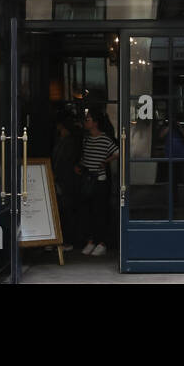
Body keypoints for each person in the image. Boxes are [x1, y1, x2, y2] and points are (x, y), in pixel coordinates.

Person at [74, 110, 118, 257]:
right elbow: (85, 157)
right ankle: (91, 240)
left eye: (88, 119)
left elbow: (118, 152)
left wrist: (106, 162)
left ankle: (102, 242)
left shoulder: (105, 139)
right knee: (88, 212)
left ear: (95, 123)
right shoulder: (87, 139)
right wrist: (80, 165)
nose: (86, 122)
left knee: (100, 212)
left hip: (99, 180)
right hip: (87, 179)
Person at [50, 114, 80, 251]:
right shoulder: (60, 140)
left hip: (66, 181)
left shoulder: (69, 141)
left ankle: (67, 241)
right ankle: (58, 239)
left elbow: (67, 162)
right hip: (59, 179)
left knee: (66, 210)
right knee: (59, 210)